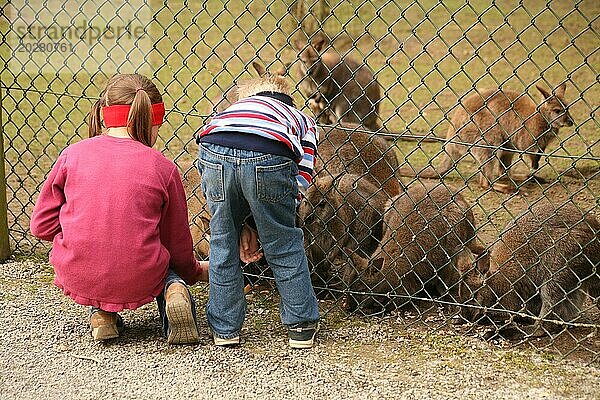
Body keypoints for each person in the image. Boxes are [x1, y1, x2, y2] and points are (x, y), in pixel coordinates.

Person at [30, 74, 208, 345]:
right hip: (140, 274)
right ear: (153, 122)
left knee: (103, 249)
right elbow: (177, 243)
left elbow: (40, 227)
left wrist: (79, 226)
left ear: (104, 114)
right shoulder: (163, 168)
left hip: (78, 272)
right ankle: (174, 290)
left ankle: (103, 315)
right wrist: (192, 271)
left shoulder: (71, 155)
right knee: (162, 260)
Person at [196, 72, 320, 349]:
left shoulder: (228, 112)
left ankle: (225, 329)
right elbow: (303, 174)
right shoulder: (300, 118)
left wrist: (233, 219)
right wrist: (281, 212)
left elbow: (203, 164)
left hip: (214, 147)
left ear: (247, 97)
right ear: (286, 97)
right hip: (270, 153)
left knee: (222, 241)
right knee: (284, 241)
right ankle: (300, 325)